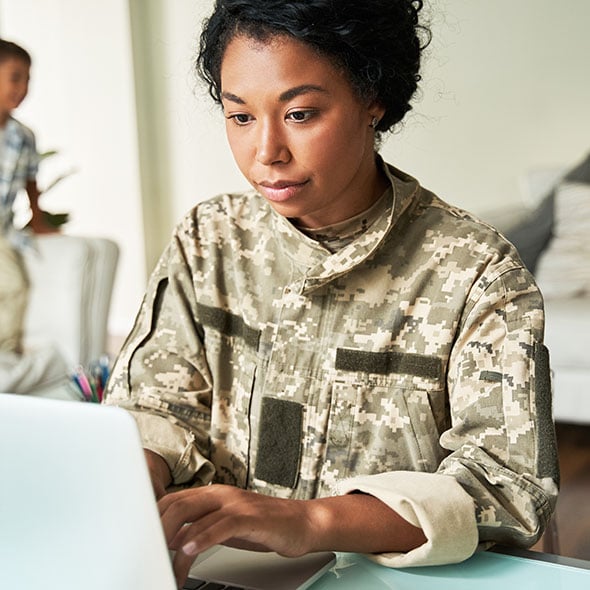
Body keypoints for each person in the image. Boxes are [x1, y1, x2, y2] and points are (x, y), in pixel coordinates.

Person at [104, 1, 559, 587]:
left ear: (374, 100)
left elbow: (506, 489)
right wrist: (132, 484)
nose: (266, 151)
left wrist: (314, 521)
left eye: (300, 113)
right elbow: (154, 407)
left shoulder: (477, 272)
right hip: (200, 569)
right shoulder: (208, 239)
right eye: (239, 117)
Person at [0, 39, 51, 355]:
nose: (23, 87)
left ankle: (6, 350)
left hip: (2, 229)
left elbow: (31, 179)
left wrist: (37, 215)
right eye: (15, 77)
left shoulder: (23, 136)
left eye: (28, 79)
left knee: (14, 285)